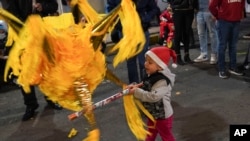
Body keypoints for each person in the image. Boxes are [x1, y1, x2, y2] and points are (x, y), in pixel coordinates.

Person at [3, 0, 62, 121]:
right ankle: (31, 105)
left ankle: (51, 98)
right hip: (21, 35)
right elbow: (10, 13)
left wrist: (42, 7)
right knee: (24, 72)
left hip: (41, 32)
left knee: (46, 67)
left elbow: (53, 5)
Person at [126, 46, 176, 141]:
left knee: (166, 137)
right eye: (146, 61)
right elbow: (146, 83)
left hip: (162, 117)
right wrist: (137, 86)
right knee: (150, 133)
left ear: (160, 66)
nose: (146, 64)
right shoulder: (152, 73)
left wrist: (136, 91)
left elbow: (153, 96)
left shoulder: (162, 81)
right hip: (152, 114)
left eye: (150, 62)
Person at [107, 0, 158, 83]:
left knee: (143, 60)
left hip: (142, 31)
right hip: (125, 32)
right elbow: (111, 12)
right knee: (131, 62)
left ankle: (145, 83)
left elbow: (154, 9)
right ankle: (134, 85)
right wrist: (119, 24)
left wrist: (145, 19)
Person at [209, 0, 245, 79]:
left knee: (233, 45)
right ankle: (221, 69)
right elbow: (211, 6)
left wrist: (238, 14)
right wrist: (218, 15)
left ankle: (233, 66)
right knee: (222, 46)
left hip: (236, 21)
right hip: (223, 22)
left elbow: (242, 3)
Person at [169, 0, 198, 65]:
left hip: (189, 11)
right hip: (178, 10)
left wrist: (195, 6)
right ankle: (178, 56)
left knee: (187, 33)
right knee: (178, 34)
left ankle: (186, 55)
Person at [193, 0, 218, 64]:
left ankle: (214, 54)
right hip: (199, 11)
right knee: (201, 34)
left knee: (213, 34)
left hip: (209, 11)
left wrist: (214, 12)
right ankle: (204, 54)